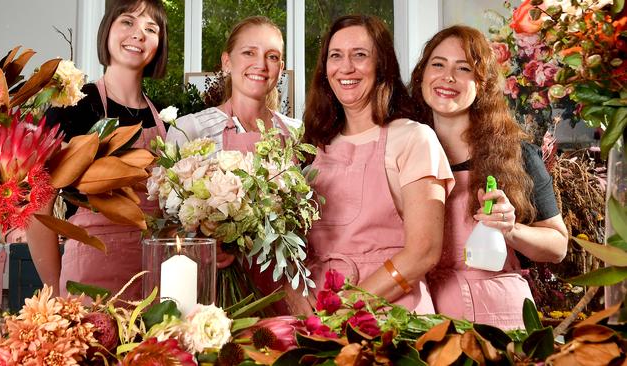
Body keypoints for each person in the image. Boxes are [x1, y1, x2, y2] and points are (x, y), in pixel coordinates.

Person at [409, 25, 568, 329]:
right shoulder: (399, 153)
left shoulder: (517, 154)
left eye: (464, 68)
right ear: (421, 76)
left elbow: (557, 246)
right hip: (421, 318)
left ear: (482, 83)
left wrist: (510, 229)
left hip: (500, 317)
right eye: (438, 64)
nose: (448, 77)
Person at [303, 15, 454, 313]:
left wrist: (345, 307)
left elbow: (423, 251)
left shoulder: (413, 138)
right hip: (316, 311)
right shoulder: (313, 147)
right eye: (336, 56)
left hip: (388, 313)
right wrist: (306, 308)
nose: (346, 67)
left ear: (382, 65)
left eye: (360, 55)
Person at [26, 0, 168, 300]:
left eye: (150, 28)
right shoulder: (73, 107)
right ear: (107, 31)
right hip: (91, 274)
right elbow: (38, 208)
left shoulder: (164, 120)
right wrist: (56, 291)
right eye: (127, 22)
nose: (138, 34)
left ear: (159, 43)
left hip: (155, 275)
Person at [166, 16, 301, 310]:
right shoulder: (190, 130)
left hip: (285, 290)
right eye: (249, 52)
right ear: (227, 62)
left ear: (280, 69)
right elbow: (166, 226)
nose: (261, 64)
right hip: (213, 293)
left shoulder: (296, 133)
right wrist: (204, 243)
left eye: (272, 56)